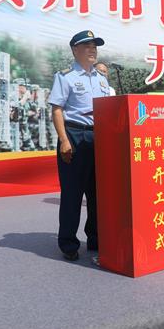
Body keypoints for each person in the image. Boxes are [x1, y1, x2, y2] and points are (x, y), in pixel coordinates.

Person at [49, 30, 111, 261]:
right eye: (87, 46)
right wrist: (64, 140)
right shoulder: (65, 77)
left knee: (98, 193)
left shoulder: (101, 78)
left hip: (99, 137)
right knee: (72, 193)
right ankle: (68, 243)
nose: (92, 50)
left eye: (95, 46)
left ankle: (95, 238)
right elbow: (57, 109)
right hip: (74, 134)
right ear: (75, 50)